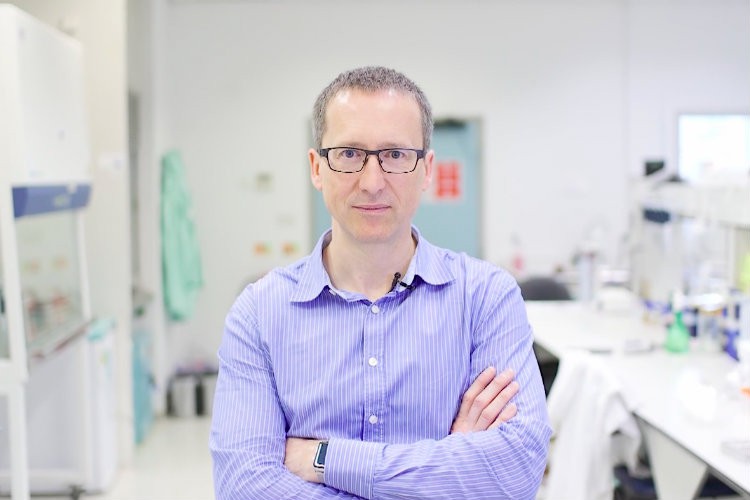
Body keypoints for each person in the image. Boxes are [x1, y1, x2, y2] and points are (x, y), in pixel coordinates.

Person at [210, 66, 552, 499]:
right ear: (317, 168)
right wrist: (450, 466)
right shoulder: (259, 314)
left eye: (395, 155)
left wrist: (325, 459)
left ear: (427, 169)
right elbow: (244, 487)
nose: (372, 182)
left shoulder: (486, 298)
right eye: (349, 154)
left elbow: (514, 471)